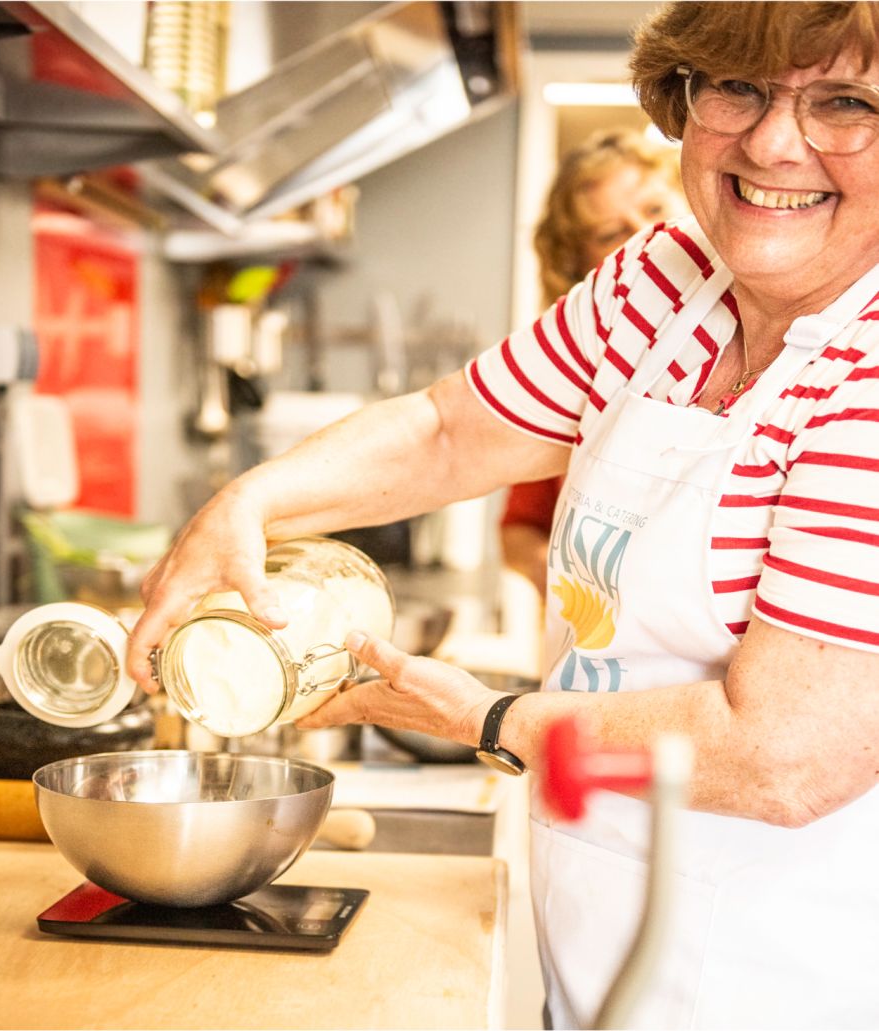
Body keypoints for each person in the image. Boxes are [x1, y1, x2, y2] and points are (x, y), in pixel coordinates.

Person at [128, 2, 879, 1026]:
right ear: (684, 94)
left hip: (784, 985)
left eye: (847, 104)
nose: (773, 143)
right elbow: (448, 431)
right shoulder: (667, 278)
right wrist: (247, 502)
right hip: (608, 960)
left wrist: (489, 720)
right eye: (739, 88)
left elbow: (784, 756)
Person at [501, 129, 687, 595]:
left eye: (654, 209)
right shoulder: (568, 374)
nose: (645, 235)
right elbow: (519, 527)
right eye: (610, 234)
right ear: (579, 264)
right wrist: (560, 578)